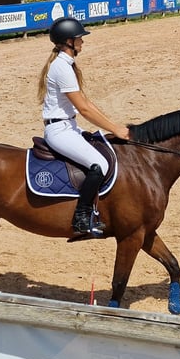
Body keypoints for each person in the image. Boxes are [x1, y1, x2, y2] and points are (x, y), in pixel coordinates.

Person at [38, 17, 130, 235]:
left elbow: (86, 103)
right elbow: (85, 109)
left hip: (69, 126)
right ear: (68, 41)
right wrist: (115, 129)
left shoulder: (66, 65)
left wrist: (112, 124)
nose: (82, 42)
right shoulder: (61, 67)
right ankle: (81, 216)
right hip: (59, 131)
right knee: (99, 164)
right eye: (79, 38)